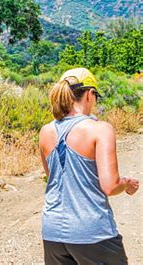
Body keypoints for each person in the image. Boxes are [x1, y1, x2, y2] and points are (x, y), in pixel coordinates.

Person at [39, 68, 139, 264]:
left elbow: (53, 178)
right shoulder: (99, 129)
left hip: (53, 233)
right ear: (89, 94)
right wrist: (126, 183)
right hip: (93, 233)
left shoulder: (45, 131)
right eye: (96, 97)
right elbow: (110, 186)